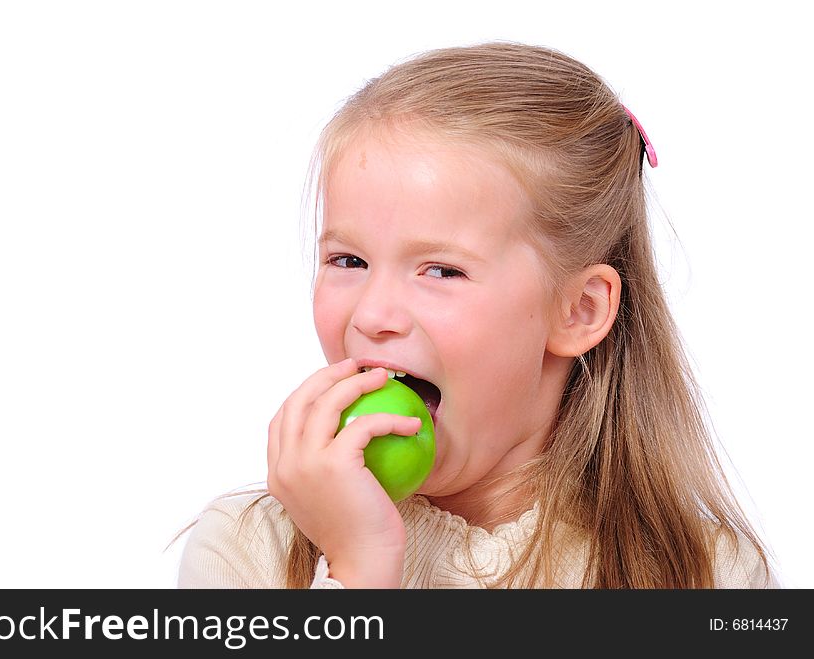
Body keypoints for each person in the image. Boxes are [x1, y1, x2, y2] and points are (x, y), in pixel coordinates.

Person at [176, 41, 774, 589]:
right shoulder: (247, 552)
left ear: (578, 311)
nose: (373, 313)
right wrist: (357, 570)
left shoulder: (706, 572)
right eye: (348, 259)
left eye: (440, 270)